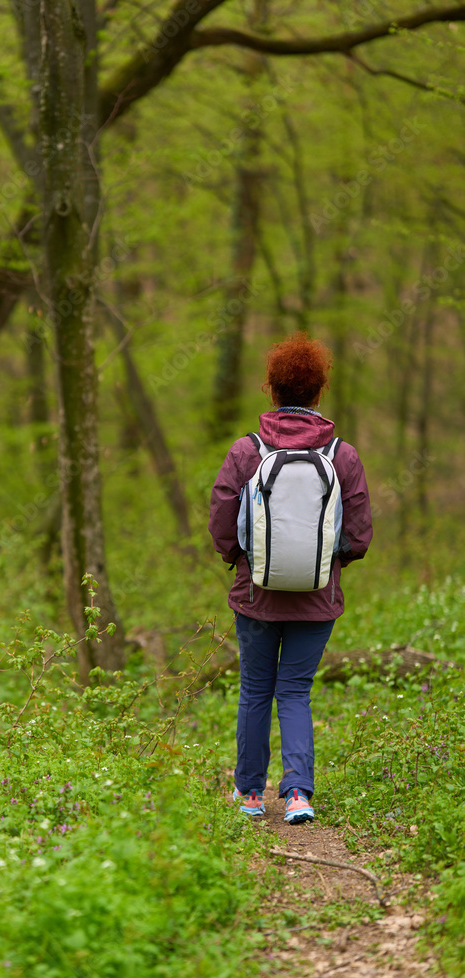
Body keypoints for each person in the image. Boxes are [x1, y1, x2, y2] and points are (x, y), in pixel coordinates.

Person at [208, 333, 373, 824]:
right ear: (320, 391)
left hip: (255, 596)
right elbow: (359, 535)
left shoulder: (246, 451)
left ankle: (250, 794)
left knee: (256, 690)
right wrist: (327, 564)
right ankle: (298, 793)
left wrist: (242, 560)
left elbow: (221, 522)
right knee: (295, 691)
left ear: (271, 390)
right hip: (317, 598)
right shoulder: (343, 456)